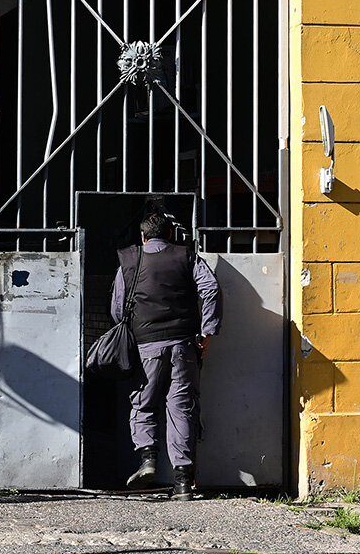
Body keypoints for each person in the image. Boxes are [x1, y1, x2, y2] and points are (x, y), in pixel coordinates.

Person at [109, 208, 222, 500]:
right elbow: (210, 288)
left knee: (143, 403)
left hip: (146, 346)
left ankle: (147, 460)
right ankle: (183, 483)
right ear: (171, 235)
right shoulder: (186, 255)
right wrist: (207, 332)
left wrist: (133, 334)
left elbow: (118, 308)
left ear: (143, 236)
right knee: (180, 409)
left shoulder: (130, 260)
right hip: (183, 345)